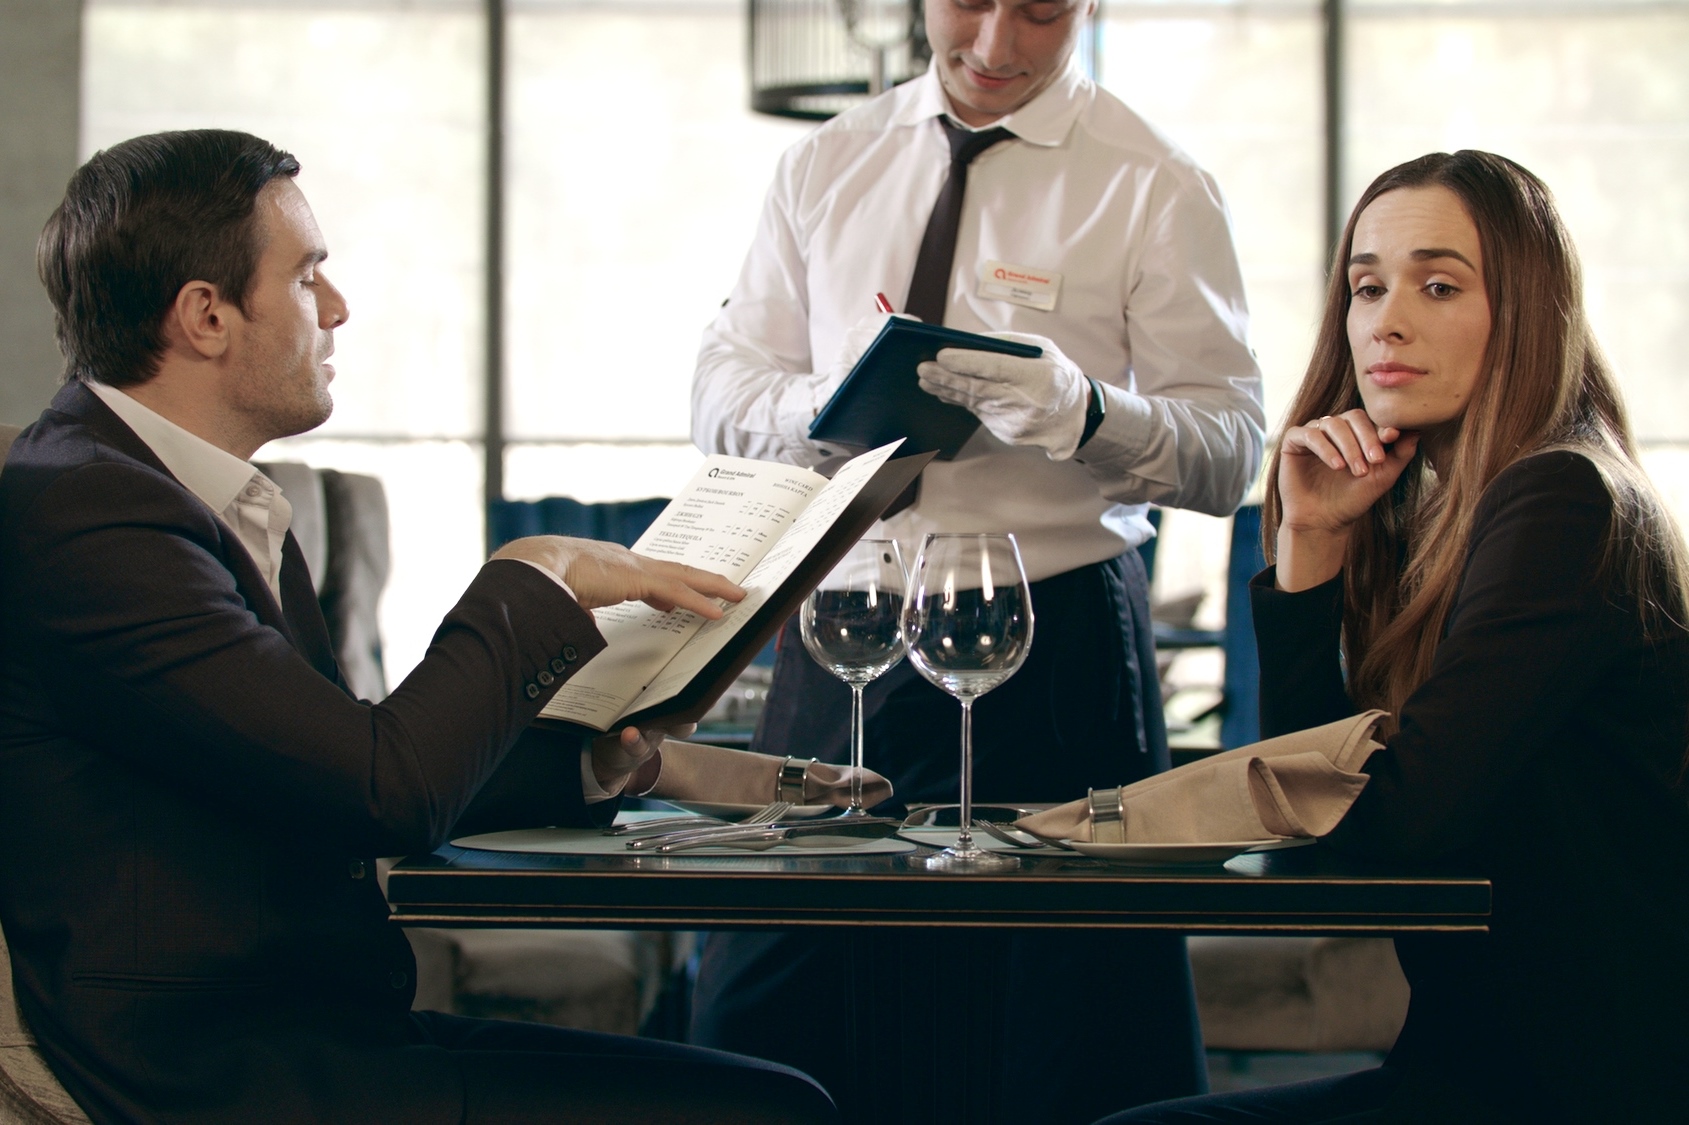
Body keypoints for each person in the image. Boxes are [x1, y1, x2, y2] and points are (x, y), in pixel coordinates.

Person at [0, 128, 841, 1124]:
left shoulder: (173, 497)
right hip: (212, 1071)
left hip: (312, 1034)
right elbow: (378, 789)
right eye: (309, 275)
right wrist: (533, 572)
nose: (339, 308)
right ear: (206, 315)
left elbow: (315, 764)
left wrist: (599, 765)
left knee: (783, 1098)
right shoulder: (89, 515)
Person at [689, 0, 1264, 1118]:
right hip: (841, 627)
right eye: (970, 2)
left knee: (1054, 1042)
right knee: (767, 1012)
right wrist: (835, 403)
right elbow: (719, 396)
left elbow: (1229, 453)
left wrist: (1085, 410)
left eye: (1043, 11)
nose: (998, 45)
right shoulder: (825, 163)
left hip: (1052, 654)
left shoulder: (1156, 182)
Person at [1097, 150, 1689, 1123]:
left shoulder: (1559, 500)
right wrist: (1315, 544)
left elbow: (1383, 839)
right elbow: (1307, 822)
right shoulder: (1462, 512)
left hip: (1570, 1090)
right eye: (1366, 287)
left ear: (1529, 309)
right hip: (1489, 1070)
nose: (1386, 321)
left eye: (1440, 284)